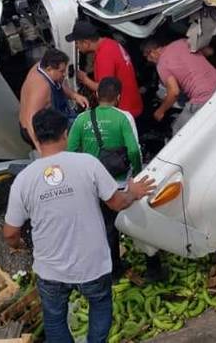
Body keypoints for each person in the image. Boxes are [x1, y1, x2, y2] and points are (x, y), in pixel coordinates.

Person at [2, 108, 155, 343]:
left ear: (36, 136)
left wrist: (22, 245)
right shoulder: (87, 164)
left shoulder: (24, 179)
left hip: (51, 269)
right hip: (92, 265)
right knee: (100, 307)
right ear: (65, 133)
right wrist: (132, 192)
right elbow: (116, 203)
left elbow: (10, 233)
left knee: (54, 320)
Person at [67, 77, 142, 280]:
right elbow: (134, 150)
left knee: (98, 227)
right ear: (118, 97)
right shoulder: (123, 117)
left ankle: (100, 268)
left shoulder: (82, 119)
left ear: (97, 95)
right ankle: (119, 269)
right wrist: (137, 173)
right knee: (120, 225)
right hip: (117, 184)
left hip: (91, 184)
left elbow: (71, 150)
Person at [142, 37, 216, 133]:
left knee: (178, 131)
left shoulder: (162, 64)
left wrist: (160, 111)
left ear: (152, 53)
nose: (150, 62)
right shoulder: (182, 42)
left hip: (203, 97)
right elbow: (210, 51)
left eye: (148, 58)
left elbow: (174, 92)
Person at [66, 20, 143, 118]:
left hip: (123, 111)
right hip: (132, 102)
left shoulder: (104, 56)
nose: (76, 47)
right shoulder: (110, 43)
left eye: (77, 43)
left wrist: (85, 79)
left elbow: (104, 89)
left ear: (86, 42)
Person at [19, 48, 89, 151]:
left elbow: (59, 82)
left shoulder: (43, 66)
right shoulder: (41, 87)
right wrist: (40, 148)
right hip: (37, 129)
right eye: (62, 71)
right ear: (49, 69)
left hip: (56, 116)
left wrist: (74, 95)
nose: (65, 74)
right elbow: (30, 119)